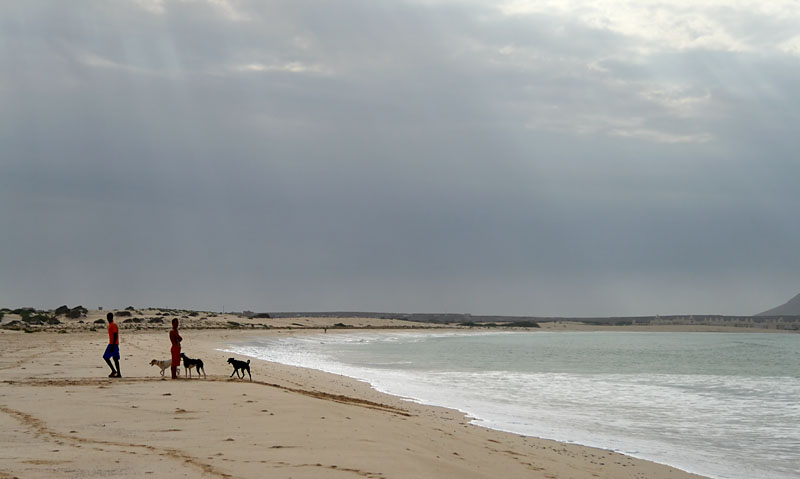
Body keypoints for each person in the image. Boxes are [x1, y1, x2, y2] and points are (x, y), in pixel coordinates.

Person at [103, 312, 121, 378]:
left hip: (113, 344)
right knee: (114, 358)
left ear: (111, 317)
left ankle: (115, 371)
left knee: (107, 357)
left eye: (109, 317)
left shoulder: (113, 325)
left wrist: (113, 345)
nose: (108, 319)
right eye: (108, 317)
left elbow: (115, 335)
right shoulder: (110, 325)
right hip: (113, 343)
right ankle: (116, 372)